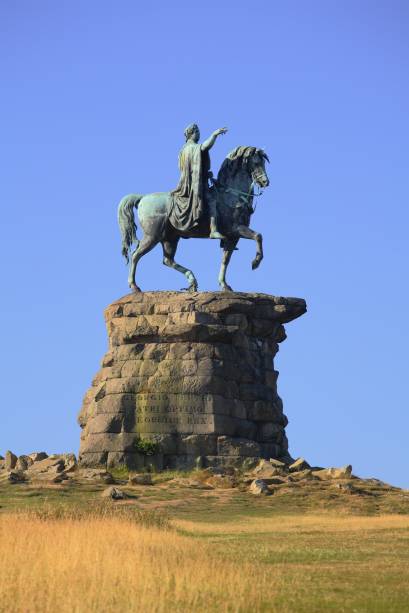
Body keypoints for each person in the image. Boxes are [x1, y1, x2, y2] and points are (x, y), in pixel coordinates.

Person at [169, 123, 227, 238]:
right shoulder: (192, 148)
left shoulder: (183, 150)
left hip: (193, 181)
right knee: (211, 200)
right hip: (194, 185)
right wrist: (214, 135)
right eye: (197, 132)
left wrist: (206, 174)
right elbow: (205, 146)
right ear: (192, 134)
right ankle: (213, 230)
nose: (199, 135)